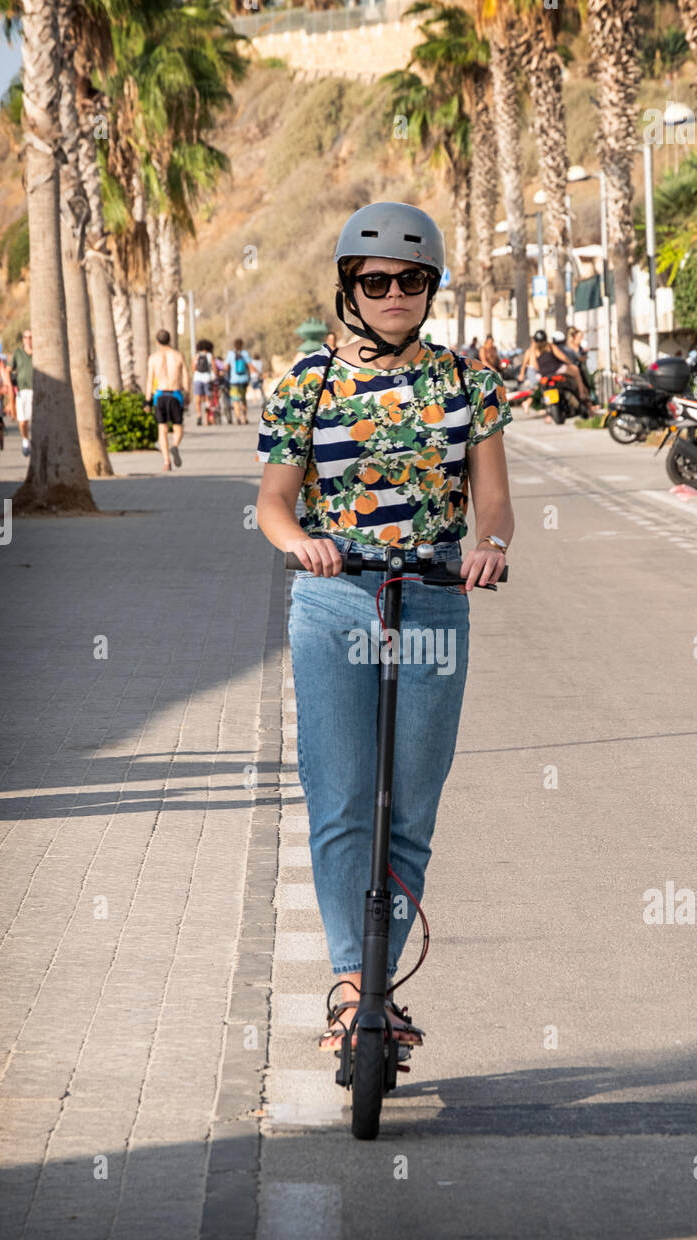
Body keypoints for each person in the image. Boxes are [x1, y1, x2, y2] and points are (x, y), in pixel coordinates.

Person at [256, 201, 514, 1054]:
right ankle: (349, 985)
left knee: (408, 810)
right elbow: (274, 502)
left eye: (413, 280)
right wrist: (304, 546)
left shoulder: (469, 382)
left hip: (434, 596)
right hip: (334, 602)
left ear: (432, 288)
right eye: (377, 280)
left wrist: (492, 548)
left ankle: (376, 989)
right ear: (349, 288)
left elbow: (494, 502)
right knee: (339, 803)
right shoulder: (307, 383)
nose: (395, 293)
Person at [144, 329, 189, 470]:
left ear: (157, 342)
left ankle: (166, 461)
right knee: (178, 427)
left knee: (162, 429)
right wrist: (187, 395)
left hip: (160, 395)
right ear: (170, 340)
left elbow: (150, 380)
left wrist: (147, 400)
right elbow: (186, 377)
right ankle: (175, 445)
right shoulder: (178, 356)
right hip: (175, 394)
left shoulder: (153, 358)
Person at [537, 330, 591, 413]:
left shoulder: (534, 350)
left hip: (543, 373)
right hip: (556, 369)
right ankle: (581, 394)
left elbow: (534, 364)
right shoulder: (551, 346)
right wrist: (570, 363)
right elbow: (562, 357)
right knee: (576, 370)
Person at [12, 329, 33, 456]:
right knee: (22, 421)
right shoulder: (18, 353)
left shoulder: (39, 353)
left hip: (36, 390)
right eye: (26, 337)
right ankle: (25, 440)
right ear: (23, 339)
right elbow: (8, 369)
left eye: (31, 337)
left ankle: (35, 442)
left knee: (35, 420)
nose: (29, 340)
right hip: (21, 391)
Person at [517, 329, 548, 413]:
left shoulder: (541, 350)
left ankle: (535, 405)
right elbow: (524, 364)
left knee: (542, 387)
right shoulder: (529, 351)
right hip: (532, 372)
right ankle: (530, 404)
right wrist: (522, 374)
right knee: (538, 387)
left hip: (539, 372)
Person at [224, 337, 252, 425]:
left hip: (234, 380)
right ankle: (245, 418)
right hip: (244, 380)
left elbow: (226, 367)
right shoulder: (245, 353)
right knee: (243, 399)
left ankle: (238, 417)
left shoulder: (230, 354)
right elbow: (250, 366)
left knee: (235, 400)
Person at [191, 338, 214, 426]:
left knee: (198, 399)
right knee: (207, 400)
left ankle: (199, 416)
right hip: (207, 379)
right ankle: (207, 419)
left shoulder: (196, 355)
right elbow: (214, 368)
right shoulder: (209, 355)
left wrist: (196, 374)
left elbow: (193, 367)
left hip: (197, 379)